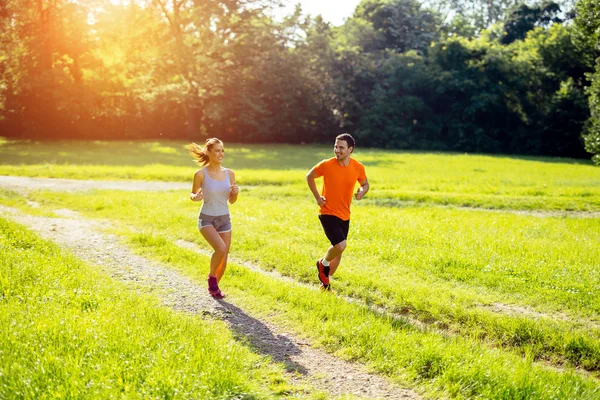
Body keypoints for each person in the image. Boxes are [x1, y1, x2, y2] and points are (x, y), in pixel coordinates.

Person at [306, 133, 369, 292]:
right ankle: (323, 264)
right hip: (327, 212)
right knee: (340, 245)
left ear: (350, 149)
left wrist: (361, 191)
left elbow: (365, 183)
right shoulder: (326, 165)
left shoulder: (358, 167)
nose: (337, 150)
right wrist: (317, 197)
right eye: (336, 146)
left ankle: (325, 285)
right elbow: (309, 176)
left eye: (341, 147)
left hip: (345, 214)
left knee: (338, 252)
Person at [188, 138, 239, 299]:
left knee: (224, 256)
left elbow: (231, 200)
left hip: (224, 218)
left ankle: (214, 288)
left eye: (222, 150)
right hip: (206, 220)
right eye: (217, 150)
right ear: (209, 152)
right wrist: (195, 197)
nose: (220, 153)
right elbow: (193, 194)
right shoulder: (200, 174)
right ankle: (212, 278)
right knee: (221, 248)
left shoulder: (229, 173)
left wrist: (236, 193)